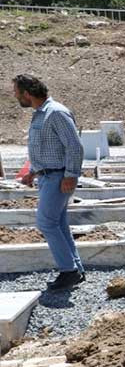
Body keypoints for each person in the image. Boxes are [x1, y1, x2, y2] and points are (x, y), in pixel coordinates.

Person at [13, 74, 85, 291]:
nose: (15, 97)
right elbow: (46, 148)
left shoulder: (56, 113)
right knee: (58, 224)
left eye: (17, 92)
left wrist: (71, 175)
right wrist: (33, 172)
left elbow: (74, 147)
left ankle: (68, 271)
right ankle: (76, 269)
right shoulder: (40, 114)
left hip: (58, 178)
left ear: (27, 93)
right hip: (47, 176)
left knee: (45, 223)